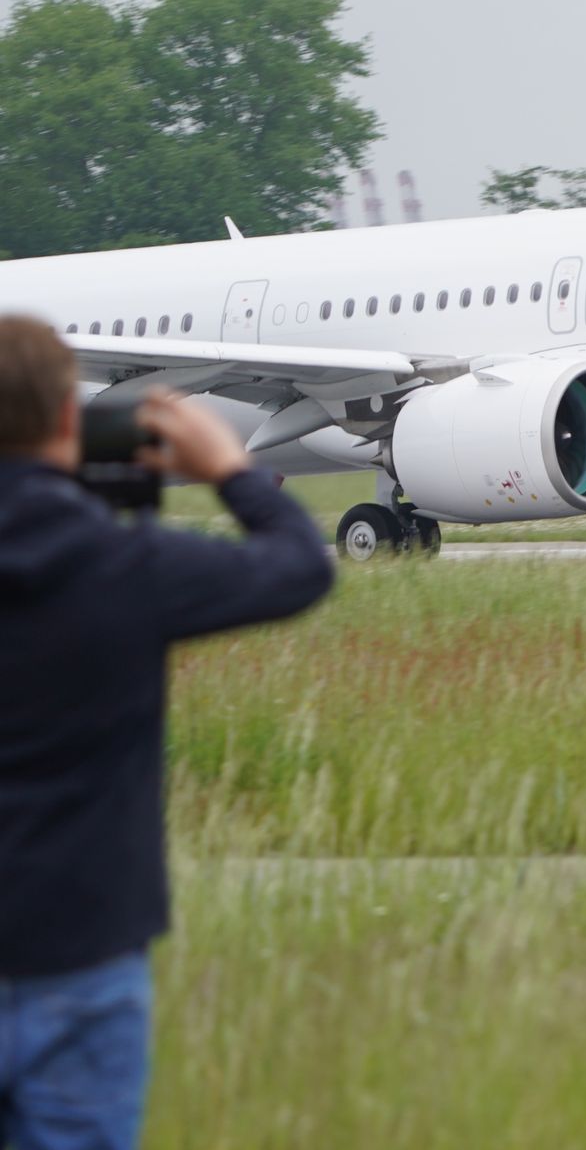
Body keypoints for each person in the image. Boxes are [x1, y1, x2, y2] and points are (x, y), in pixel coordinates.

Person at [0, 316, 333, 1149]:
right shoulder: (125, 564)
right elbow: (300, 566)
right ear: (72, 420)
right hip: (82, 945)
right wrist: (232, 471)